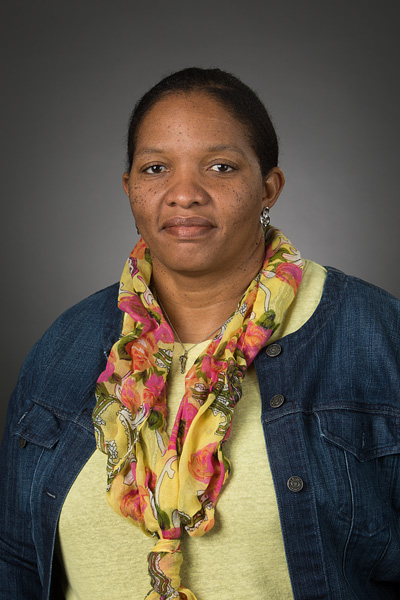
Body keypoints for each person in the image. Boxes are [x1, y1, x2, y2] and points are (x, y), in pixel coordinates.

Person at [1, 67, 399, 600]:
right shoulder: (63, 349)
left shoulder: (376, 337)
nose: (184, 194)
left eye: (220, 166)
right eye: (156, 167)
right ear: (129, 188)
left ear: (269, 188)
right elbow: (15, 562)